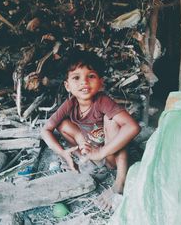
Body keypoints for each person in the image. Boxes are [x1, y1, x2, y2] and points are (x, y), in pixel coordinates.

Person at [41, 49, 140, 208]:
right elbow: (45, 130)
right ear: (67, 85)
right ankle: (86, 159)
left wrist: (101, 152)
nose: (84, 82)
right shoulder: (70, 104)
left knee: (112, 120)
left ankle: (120, 182)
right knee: (62, 124)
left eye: (91, 76)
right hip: (91, 152)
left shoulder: (103, 101)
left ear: (100, 82)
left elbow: (133, 127)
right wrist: (62, 152)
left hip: (110, 155)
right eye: (76, 77)